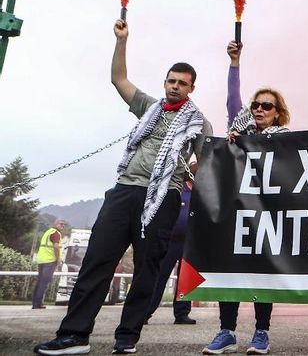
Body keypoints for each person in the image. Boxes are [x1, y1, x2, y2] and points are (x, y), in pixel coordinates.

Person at [35, 19, 212, 356]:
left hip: (163, 196)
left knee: (148, 269)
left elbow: (202, 163)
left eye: (182, 83)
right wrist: (122, 40)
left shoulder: (200, 123)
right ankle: (74, 336)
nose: (175, 86)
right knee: (96, 262)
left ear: (191, 89)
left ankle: (127, 337)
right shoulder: (149, 107)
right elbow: (118, 78)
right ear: (165, 82)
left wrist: (187, 172)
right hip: (125, 190)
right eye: (171, 81)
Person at [202, 41, 293, 356]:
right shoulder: (236, 137)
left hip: (266, 216)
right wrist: (235, 63)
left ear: (278, 113)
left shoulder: (287, 141)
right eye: (256, 104)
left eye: (267, 106)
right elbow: (232, 100)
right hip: (234, 213)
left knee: (260, 273)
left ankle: (261, 333)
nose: (259, 109)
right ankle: (226, 332)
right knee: (230, 269)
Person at [145, 183, 195, 325]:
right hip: (170, 239)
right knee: (160, 274)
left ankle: (182, 313)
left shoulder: (200, 191)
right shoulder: (178, 187)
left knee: (186, 278)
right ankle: (146, 311)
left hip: (190, 241)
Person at [32, 220, 67, 309]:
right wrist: (58, 259)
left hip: (42, 260)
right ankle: (38, 304)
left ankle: (35, 303)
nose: (62, 225)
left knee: (40, 282)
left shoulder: (48, 232)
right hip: (49, 261)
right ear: (55, 224)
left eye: (64, 224)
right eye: (60, 224)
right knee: (44, 282)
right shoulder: (56, 233)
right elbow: (55, 246)